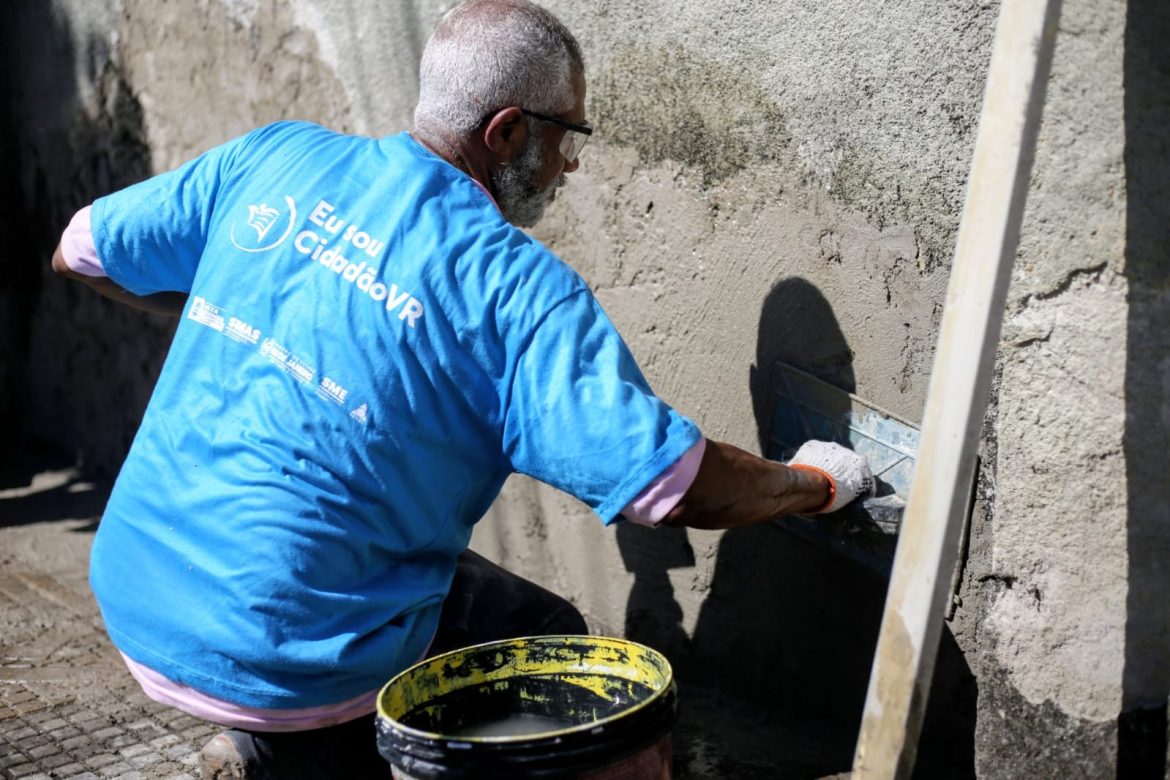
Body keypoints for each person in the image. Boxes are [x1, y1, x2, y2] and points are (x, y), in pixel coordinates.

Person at [51, 1, 873, 776]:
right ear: (507, 131)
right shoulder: (516, 290)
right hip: (288, 655)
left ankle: (264, 748)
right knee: (548, 640)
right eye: (568, 134)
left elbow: (81, 250)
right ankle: (305, 754)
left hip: (136, 587)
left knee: (429, 581)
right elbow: (676, 485)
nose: (573, 162)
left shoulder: (276, 157)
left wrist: (229, 306)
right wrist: (816, 483)